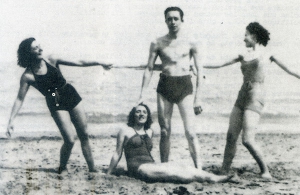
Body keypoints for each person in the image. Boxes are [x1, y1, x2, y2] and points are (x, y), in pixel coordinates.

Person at [204, 22, 300, 179]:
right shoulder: (243, 54)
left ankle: (265, 172)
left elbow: (290, 70)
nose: (244, 38)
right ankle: (224, 170)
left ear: (254, 36)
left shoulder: (269, 54)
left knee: (247, 140)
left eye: (246, 35)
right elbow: (219, 64)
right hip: (242, 94)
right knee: (231, 136)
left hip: (256, 95)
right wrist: (196, 65)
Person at [6, 37, 112, 173]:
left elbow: (79, 62)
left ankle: (92, 169)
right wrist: (11, 120)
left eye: (40, 46)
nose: (40, 49)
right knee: (69, 140)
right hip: (54, 99)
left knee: (84, 134)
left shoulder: (51, 59)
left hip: (69, 92)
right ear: (28, 52)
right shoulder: (28, 76)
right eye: (36, 48)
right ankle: (62, 168)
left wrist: (100, 62)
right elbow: (20, 99)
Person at [138, 6, 203, 168]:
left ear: (182, 20)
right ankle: (164, 167)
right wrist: (142, 94)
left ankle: (199, 169)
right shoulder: (157, 42)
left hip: (184, 86)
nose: (172, 22)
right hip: (165, 86)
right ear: (165, 20)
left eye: (176, 18)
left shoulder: (191, 42)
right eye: (169, 19)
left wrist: (198, 99)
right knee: (165, 131)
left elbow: (200, 70)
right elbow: (149, 69)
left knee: (190, 132)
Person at [107, 104, 232, 183]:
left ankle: (211, 176)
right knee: (175, 173)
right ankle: (210, 179)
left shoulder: (149, 132)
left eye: (144, 112)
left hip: (151, 165)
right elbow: (117, 153)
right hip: (138, 168)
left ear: (147, 116)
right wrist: (108, 173)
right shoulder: (125, 130)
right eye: (138, 112)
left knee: (181, 166)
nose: (141, 114)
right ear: (133, 115)